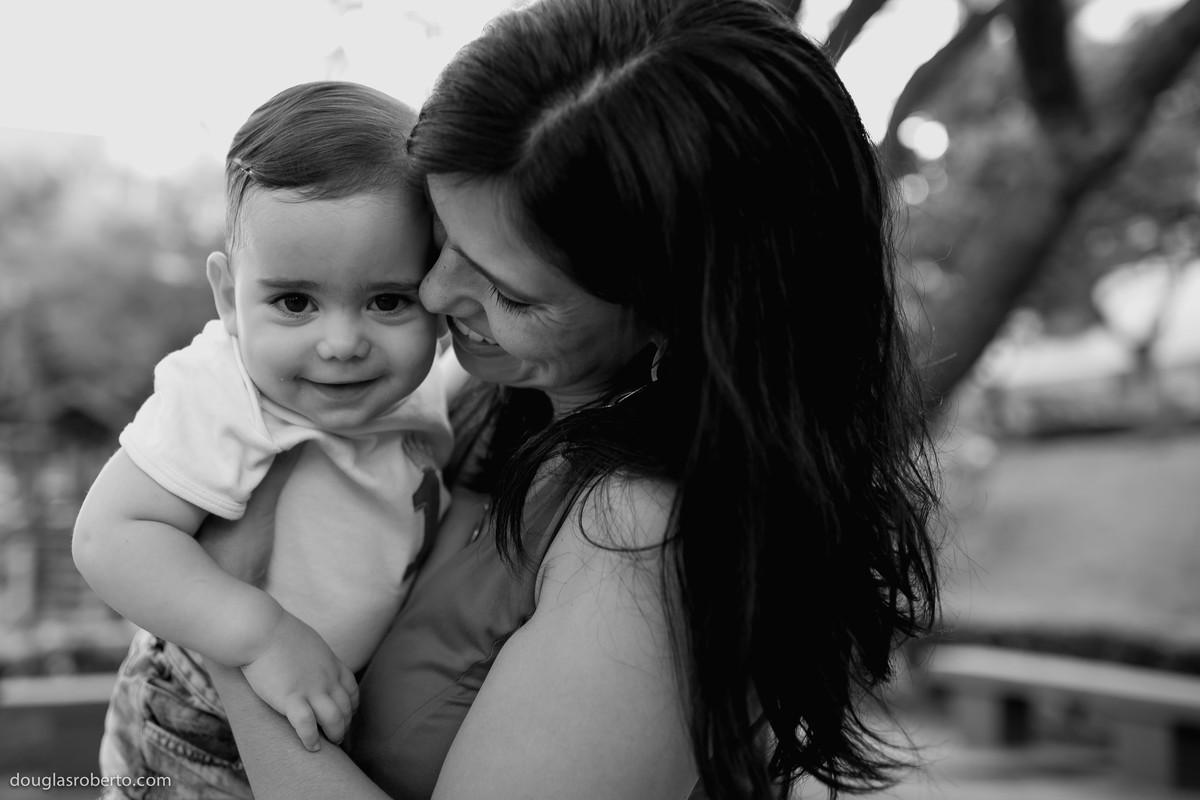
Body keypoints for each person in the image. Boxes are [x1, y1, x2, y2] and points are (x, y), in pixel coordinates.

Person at [209, 0, 944, 797]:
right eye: (440, 236)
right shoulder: (487, 407)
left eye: (511, 295)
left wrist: (233, 642)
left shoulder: (636, 542)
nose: (432, 289)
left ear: (680, 320)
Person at [72, 81, 453, 798]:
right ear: (228, 297)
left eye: (388, 300)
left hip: (315, 718)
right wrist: (261, 634)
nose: (341, 343)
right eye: (295, 302)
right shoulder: (225, 389)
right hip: (200, 718)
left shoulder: (421, 389)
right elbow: (109, 537)